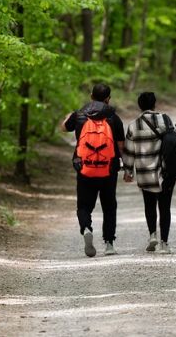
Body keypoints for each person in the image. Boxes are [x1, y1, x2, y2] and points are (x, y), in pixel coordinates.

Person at [62, 83, 125, 257]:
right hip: (108, 168)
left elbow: (63, 127)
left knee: (83, 205)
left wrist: (70, 115)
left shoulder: (80, 114)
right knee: (109, 206)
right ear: (108, 99)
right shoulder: (113, 117)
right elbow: (120, 146)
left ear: (91, 96)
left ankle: (87, 227)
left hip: (84, 167)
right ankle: (109, 243)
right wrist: (125, 166)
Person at [122, 92, 176, 254]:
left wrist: (128, 171)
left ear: (139, 105)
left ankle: (152, 234)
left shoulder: (133, 125)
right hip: (165, 172)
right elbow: (173, 143)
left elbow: (129, 151)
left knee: (149, 204)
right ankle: (164, 243)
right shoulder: (165, 119)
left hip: (144, 172)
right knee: (165, 206)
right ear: (155, 104)